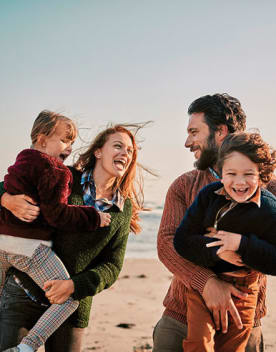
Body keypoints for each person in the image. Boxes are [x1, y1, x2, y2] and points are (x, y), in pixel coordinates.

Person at [0, 120, 146, 352]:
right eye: (118, 146)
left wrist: (73, 286)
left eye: (130, 151)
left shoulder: (123, 208)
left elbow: (112, 266)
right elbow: (6, 185)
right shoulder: (63, 176)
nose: (125, 154)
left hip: (69, 306)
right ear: (98, 151)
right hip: (23, 293)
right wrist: (6, 200)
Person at [153, 93, 276, 352]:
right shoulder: (184, 185)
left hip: (245, 322)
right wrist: (206, 283)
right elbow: (167, 244)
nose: (188, 142)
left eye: (194, 132)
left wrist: (241, 244)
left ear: (220, 131)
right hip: (181, 319)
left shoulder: (269, 189)